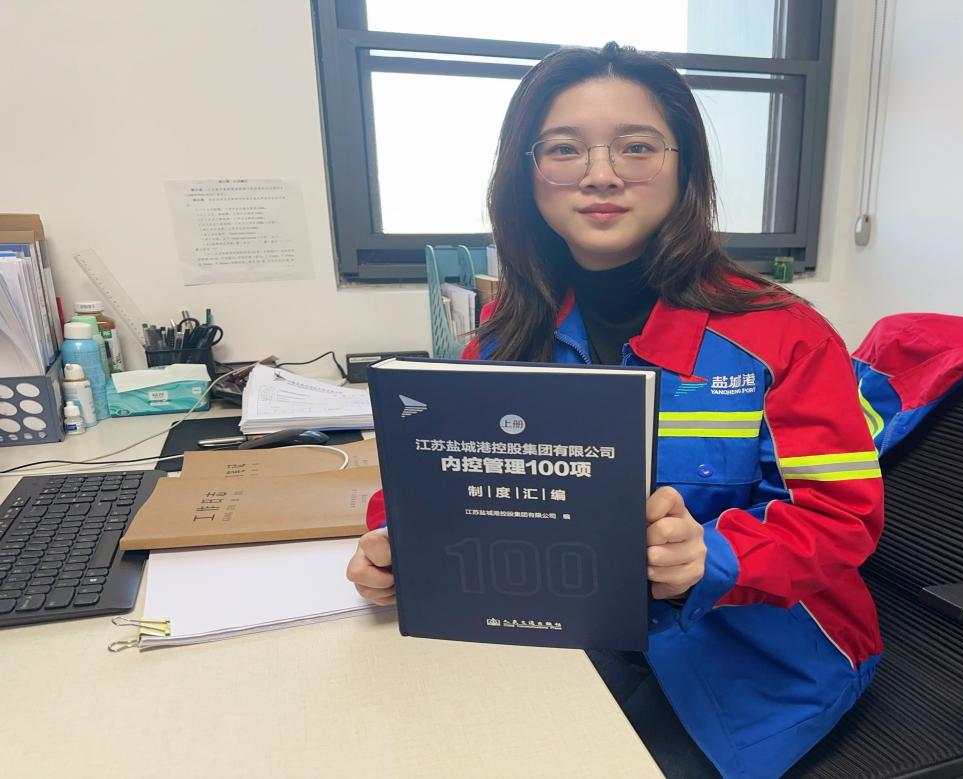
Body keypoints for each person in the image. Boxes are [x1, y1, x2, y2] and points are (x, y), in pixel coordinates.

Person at [347, 42, 884, 779]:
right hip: (564, 633)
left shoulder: (782, 334)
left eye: (636, 147)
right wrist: (395, 543)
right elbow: (437, 476)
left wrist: (711, 556)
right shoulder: (504, 336)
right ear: (526, 174)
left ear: (685, 167)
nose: (600, 174)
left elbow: (842, 517)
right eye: (564, 148)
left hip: (749, 660)